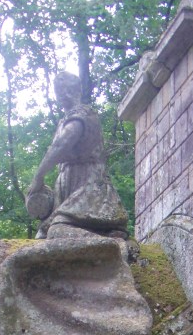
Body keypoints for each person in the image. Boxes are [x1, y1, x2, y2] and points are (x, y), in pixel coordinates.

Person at [25, 71, 129, 239]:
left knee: (56, 231)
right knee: (43, 234)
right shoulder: (67, 119)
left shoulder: (82, 115)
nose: (60, 96)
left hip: (89, 185)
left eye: (61, 91)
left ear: (70, 92)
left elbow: (61, 145)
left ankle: (111, 245)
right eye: (58, 92)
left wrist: (39, 177)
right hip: (70, 185)